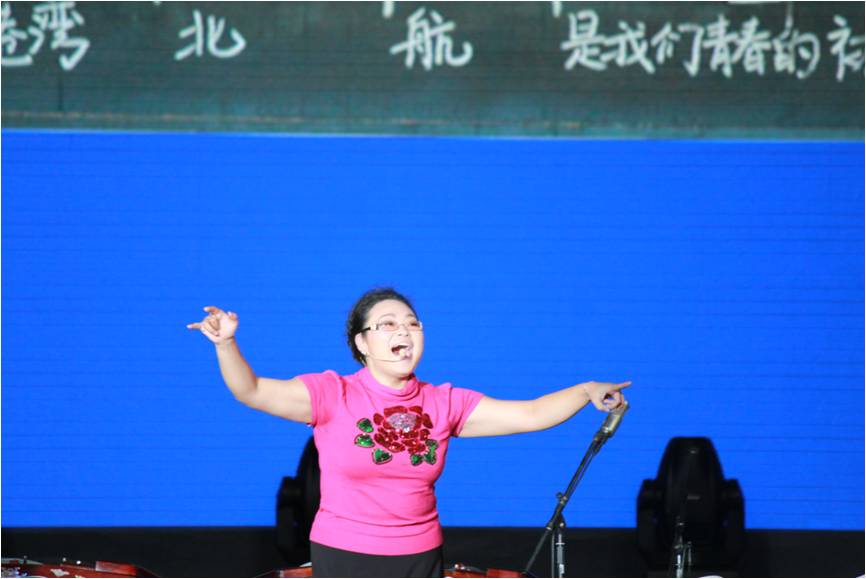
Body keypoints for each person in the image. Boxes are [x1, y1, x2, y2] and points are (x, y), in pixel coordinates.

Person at [187, 287, 631, 578]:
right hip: (345, 555)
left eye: (412, 323)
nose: (404, 329)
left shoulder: (444, 402)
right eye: (387, 323)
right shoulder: (333, 393)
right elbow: (251, 390)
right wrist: (226, 343)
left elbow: (531, 414)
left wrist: (586, 390)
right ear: (361, 343)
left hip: (419, 555)